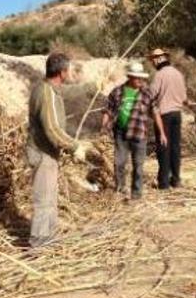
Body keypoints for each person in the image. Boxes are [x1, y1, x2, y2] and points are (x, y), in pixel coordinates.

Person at [27, 53, 90, 248]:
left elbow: (69, 93)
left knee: (50, 198)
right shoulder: (47, 93)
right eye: (69, 70)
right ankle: (38, 243)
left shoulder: (49, 89)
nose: (70, 73)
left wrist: (91, 87)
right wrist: (74, 146)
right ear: (62, 72)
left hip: (47, 153)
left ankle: (49, 237)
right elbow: (52, 129)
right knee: (44, 200)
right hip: (42, 153)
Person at [102, 62, 167, 200]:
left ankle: (136, 194)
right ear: (130, 77)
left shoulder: (147, 93)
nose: (140, 80)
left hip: (139, 134)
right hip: (121, 133)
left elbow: (155, 113)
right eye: (137, 78)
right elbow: (108, 110)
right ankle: (120, 190)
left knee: (138, 166)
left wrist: (162, 133)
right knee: (119, 163)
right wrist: (104, 126)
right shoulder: (117, 91)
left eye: (141, 78)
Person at [147, 48, 187, 189]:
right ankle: (176, 180)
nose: (152, 63)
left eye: (152, 60)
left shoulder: (159, 75)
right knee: (175, 148)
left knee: (164, 148)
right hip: (177, 114)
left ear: (158, 59)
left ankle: (163, 183)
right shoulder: (178, 74)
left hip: (164, 116)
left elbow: (151, 95)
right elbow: (184, 98)